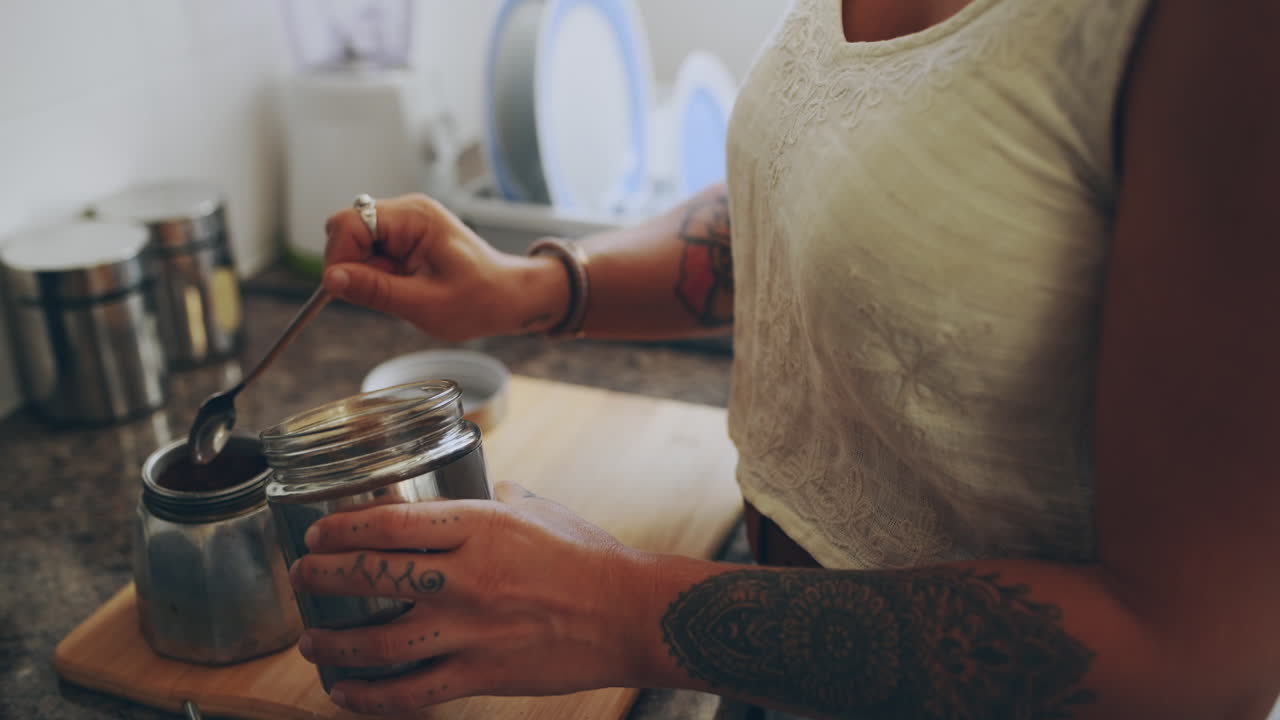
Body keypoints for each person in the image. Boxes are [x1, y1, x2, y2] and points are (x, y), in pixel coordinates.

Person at [288, 0, 1280, 717]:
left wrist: (614, 608)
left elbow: (1196, 652)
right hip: (772, 678)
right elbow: (824, 183)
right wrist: (535, 286)